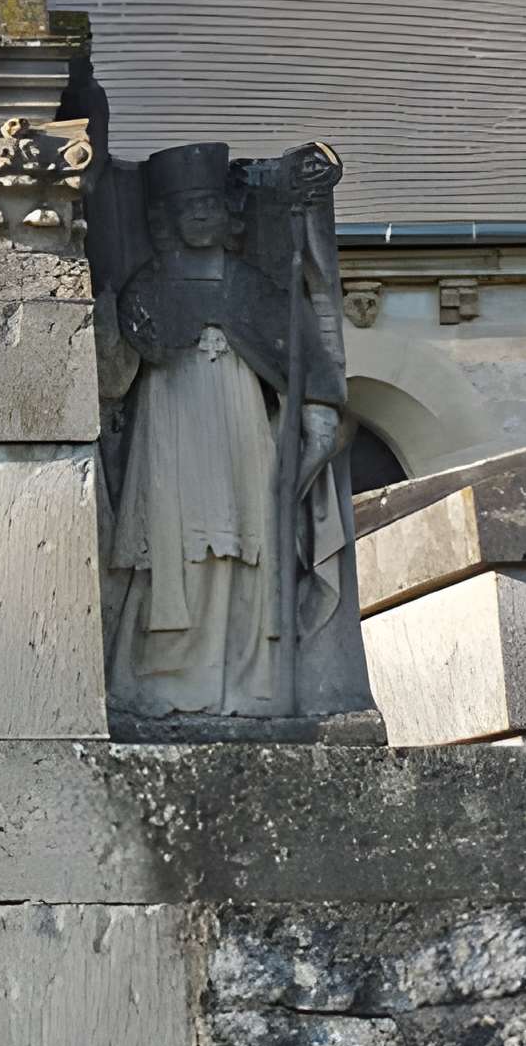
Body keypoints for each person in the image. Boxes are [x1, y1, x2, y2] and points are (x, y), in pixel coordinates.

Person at [102, 141, 347, 719]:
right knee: (175, 539)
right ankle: (165, 682)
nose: (201, 215)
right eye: (188, 206)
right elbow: (120, 367)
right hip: (172, 418)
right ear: (166, 219)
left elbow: (297, 355)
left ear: (229, 214)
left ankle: (248, 680)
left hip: (240, 418)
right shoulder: (148, 286)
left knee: (248, 535)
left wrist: (316, 407)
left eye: (210, 203)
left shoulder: (251, 286)